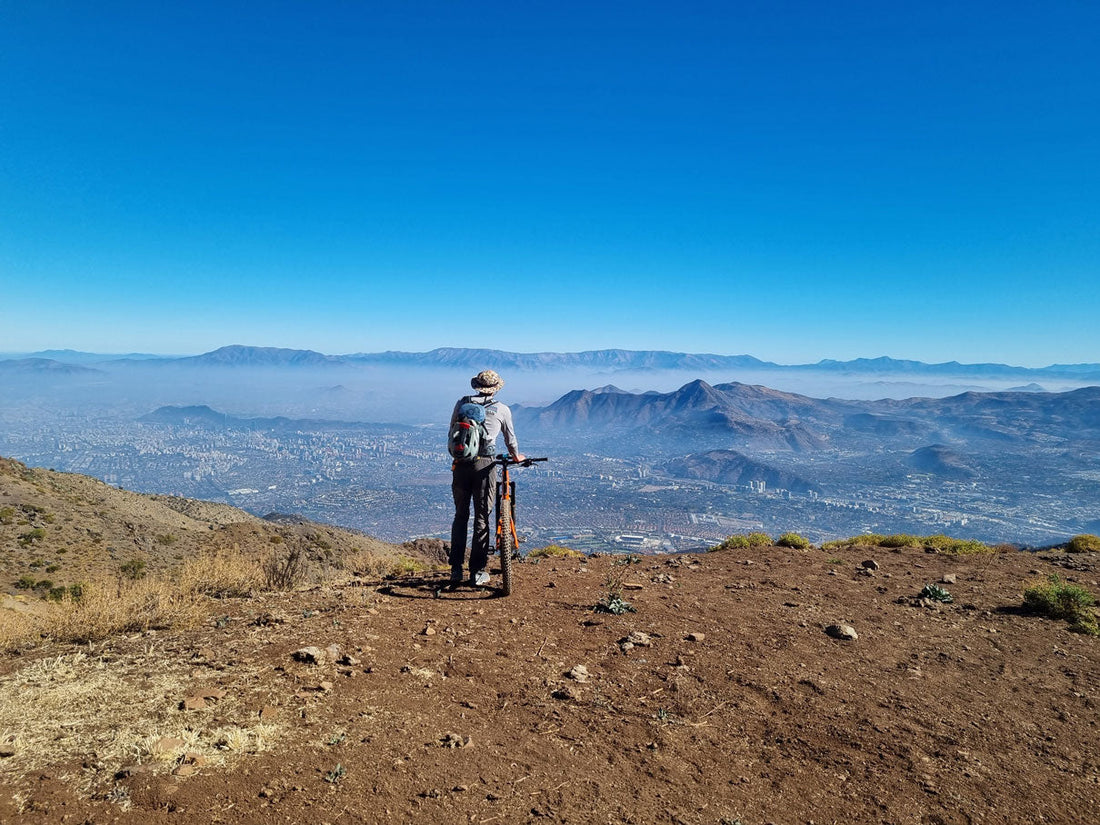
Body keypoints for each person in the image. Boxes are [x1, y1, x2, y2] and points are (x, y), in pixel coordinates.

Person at [449, 369, 525, 586]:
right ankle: (477, 571)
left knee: (460, 517)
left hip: (461, 465)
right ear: (495, 388)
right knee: (482, 518)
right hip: (485, 466)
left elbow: (451, 434)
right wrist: (516, 457)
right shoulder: (501, 409)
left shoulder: (462, 404)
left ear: (476, 386)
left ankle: (455, 569)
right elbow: (511, 441)